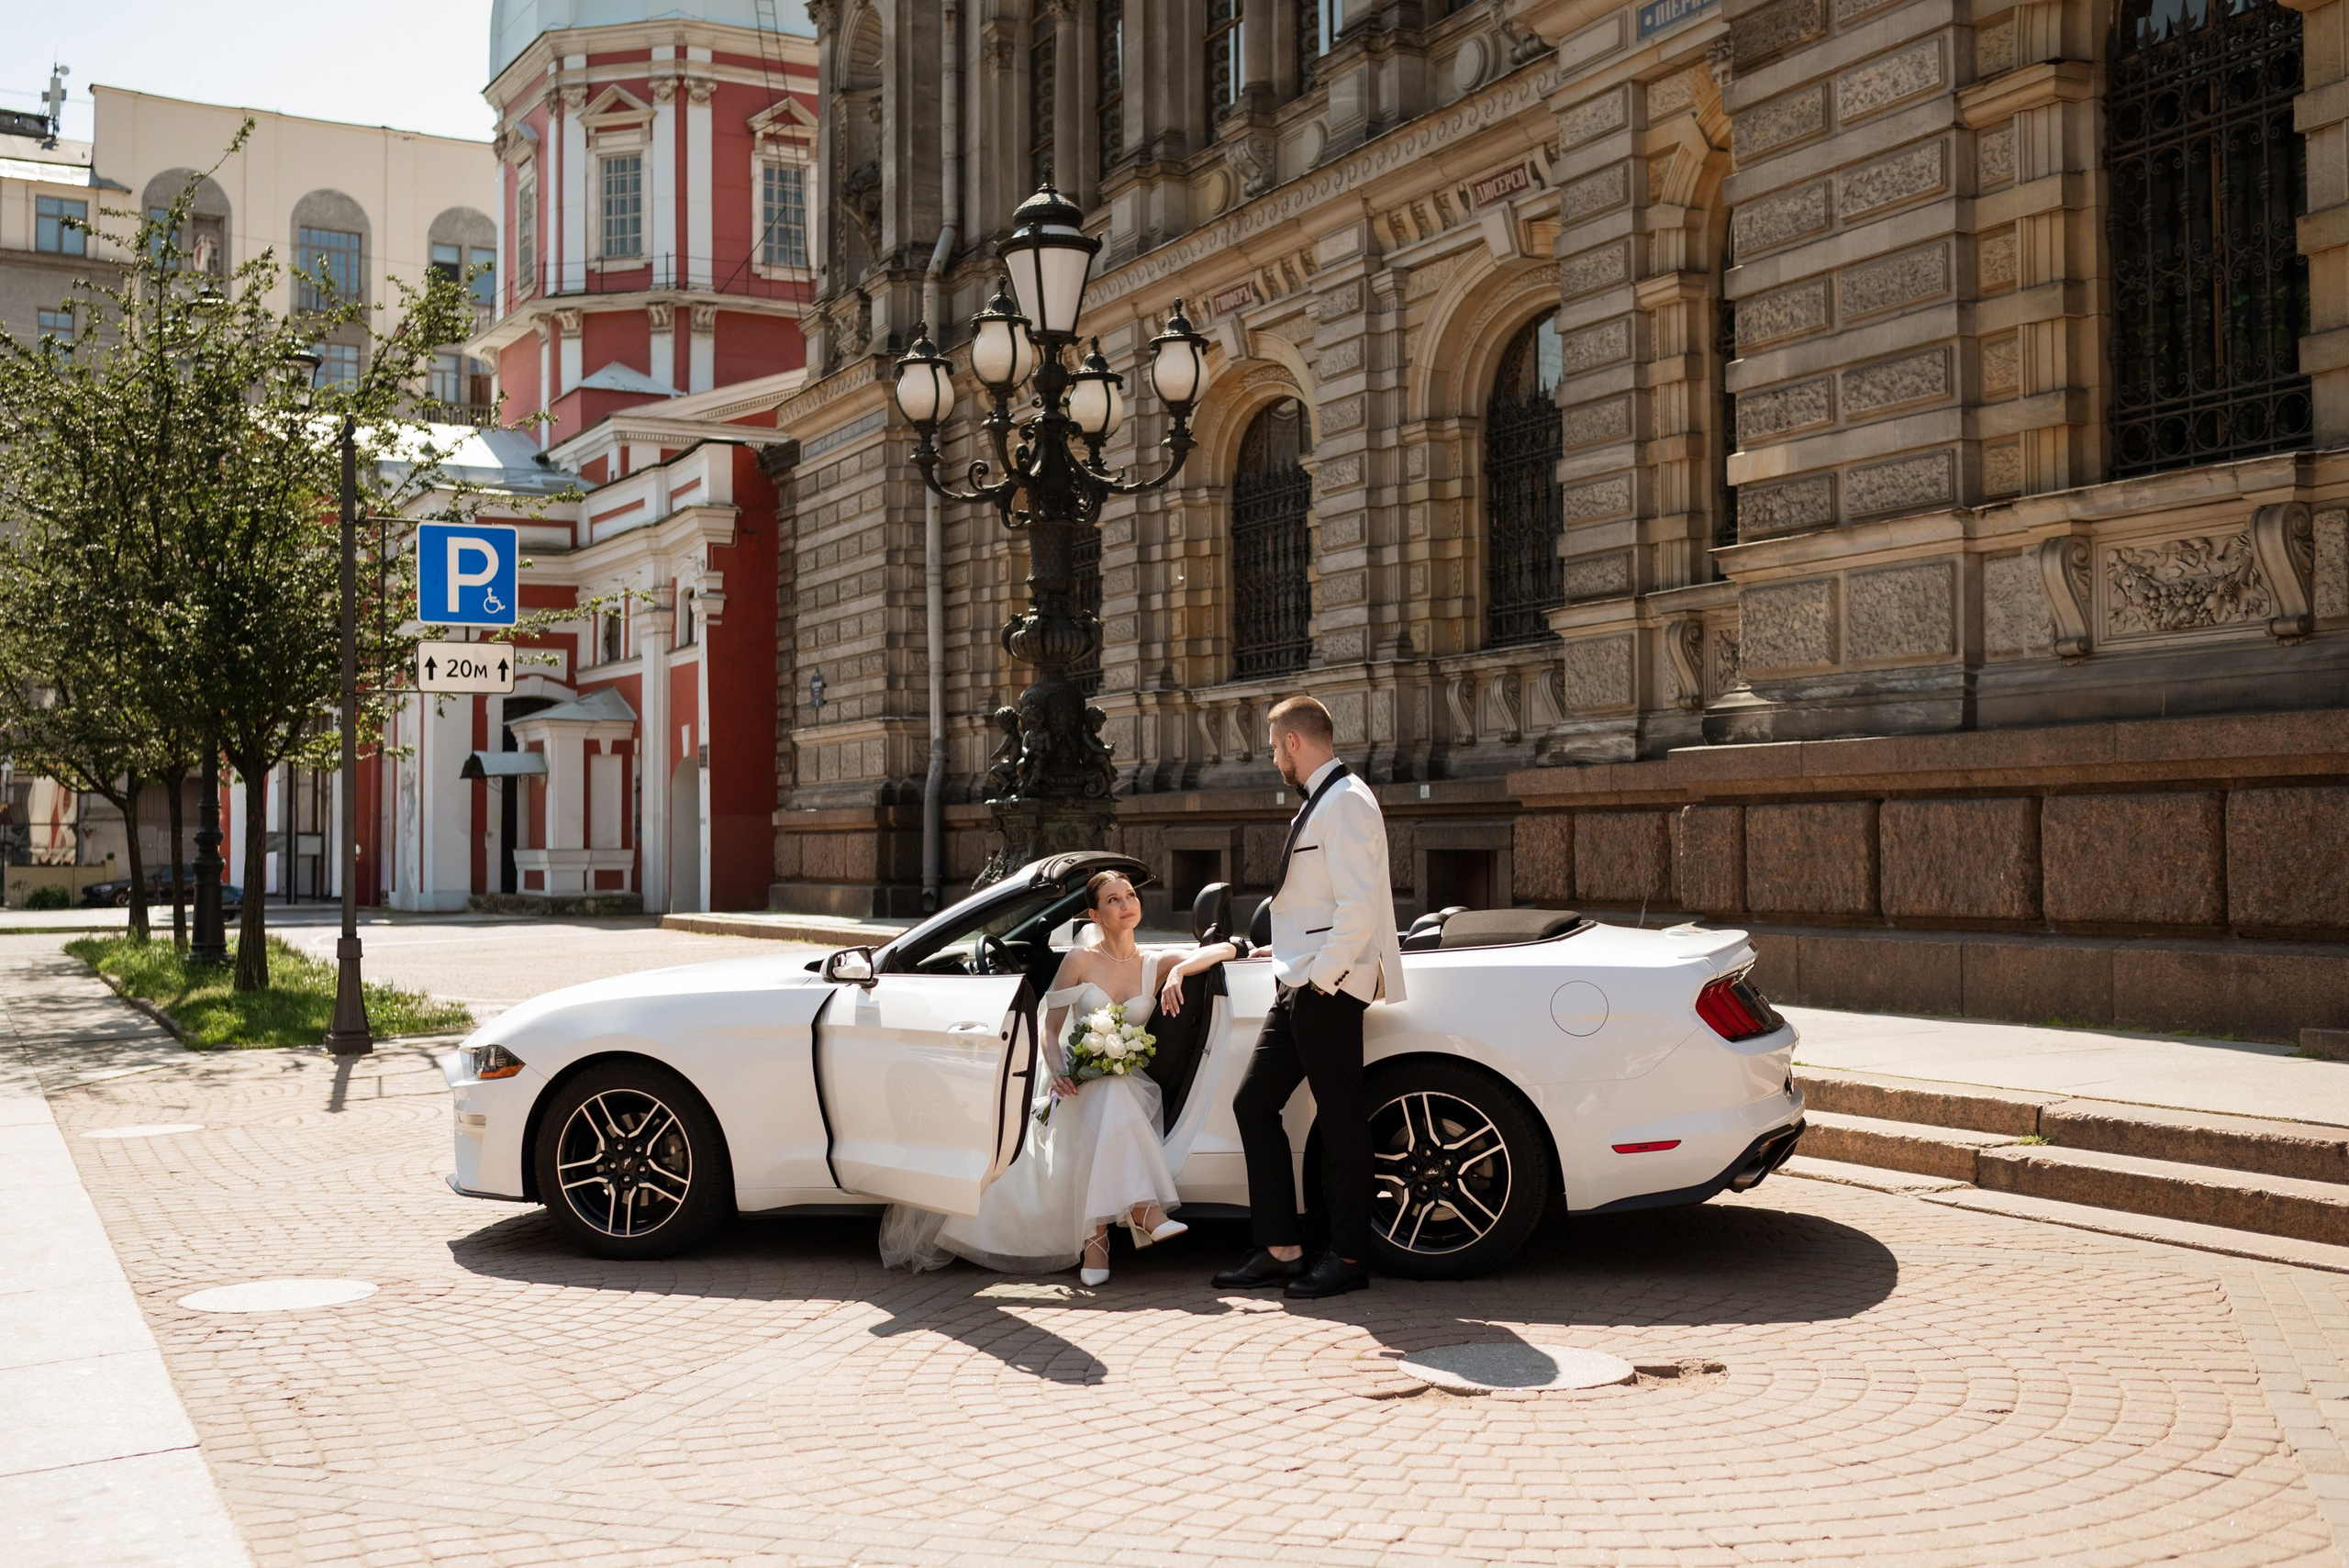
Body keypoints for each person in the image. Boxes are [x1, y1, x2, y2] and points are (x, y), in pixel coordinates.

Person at [879, 870, 1239, 1284]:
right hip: (1073, 1077)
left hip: (1126, 1082)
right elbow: (1049, 1031)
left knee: (1115, 1091)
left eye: (1130, 897)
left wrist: (1178, 973)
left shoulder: (1153, 964)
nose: (1126, 905)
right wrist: (1059, 1072)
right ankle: (1140, 1212)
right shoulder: (1080, 960)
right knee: (1105, 1095)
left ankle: (1097, 1241)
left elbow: (1226, 948)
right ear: (1095, 914)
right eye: (1113, 901)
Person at [1212, 695, 1404, 1300]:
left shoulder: (1346, 802)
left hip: (1326, 987)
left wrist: (1321, 977)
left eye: (1274, 747)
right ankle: (1281, 1248)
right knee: (1253, 1104)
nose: (1274, 759)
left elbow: (1359, 905)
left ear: (1294, 742)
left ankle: (1348, 1255)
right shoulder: (1327, 800)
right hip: (1300, 980)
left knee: (1341, 1119)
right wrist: (1291, 958)